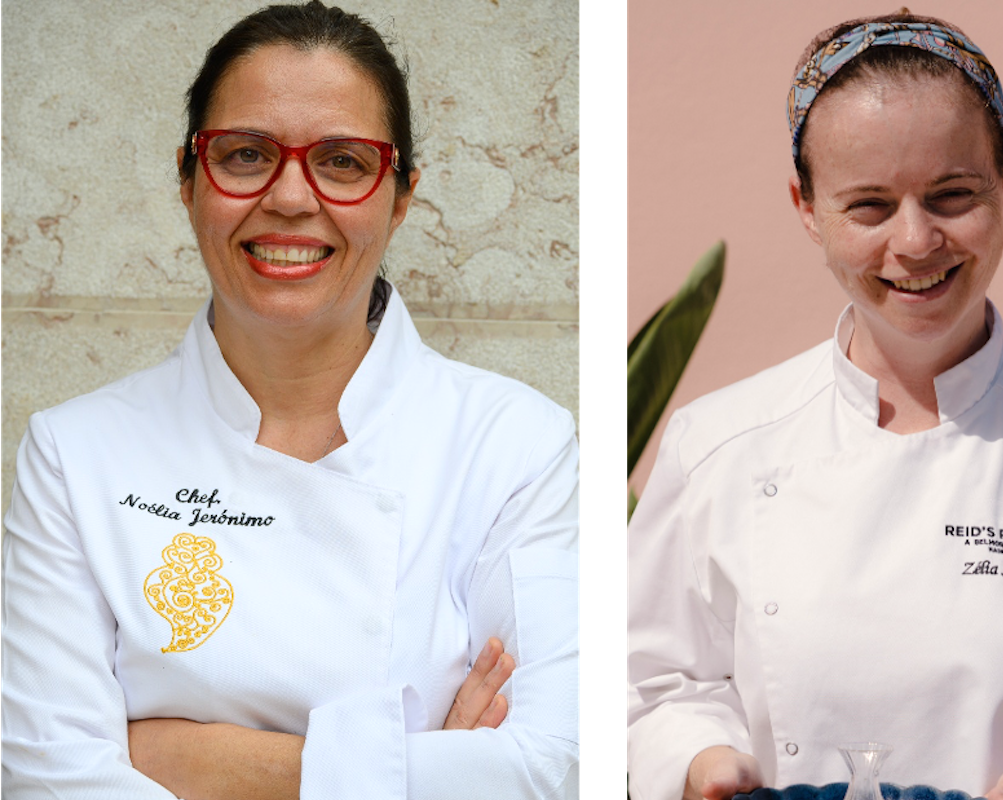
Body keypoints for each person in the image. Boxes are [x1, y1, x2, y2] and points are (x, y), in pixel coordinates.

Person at [0, 2, 579, 798]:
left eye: (342, 161)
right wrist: (418, 766)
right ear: (188, 178)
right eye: (245, 154)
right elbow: (48, 780)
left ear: (401, 196)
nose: (291, 198)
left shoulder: (515, 446)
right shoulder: (74, 454)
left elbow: (550, 767)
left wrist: (191, 762)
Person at [626, 9, 1003, 800]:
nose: (917, 240)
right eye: (868, 206)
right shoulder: (716, 446)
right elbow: (655, 682)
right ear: (806, 207)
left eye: (952, 194)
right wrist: (702, 766)